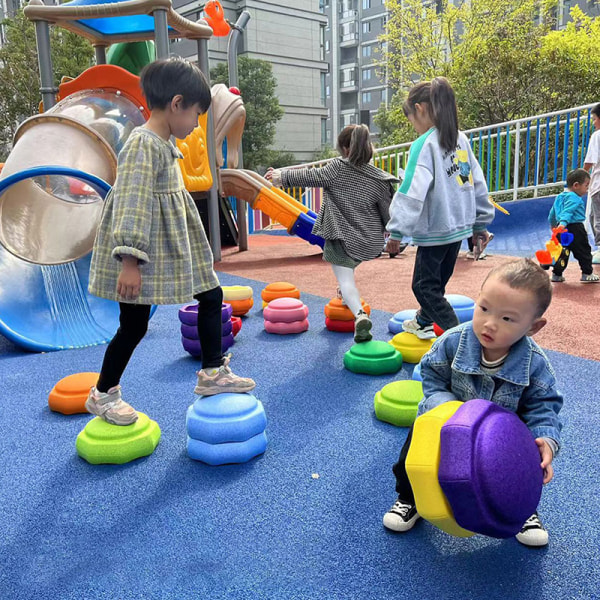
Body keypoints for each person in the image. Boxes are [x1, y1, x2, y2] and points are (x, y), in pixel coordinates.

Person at [86, 58, 255, 426]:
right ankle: (102, 393)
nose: (196, 124)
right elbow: (132, 201)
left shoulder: (162, 142)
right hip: (143, 252)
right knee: (133, 326)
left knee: (211, 295)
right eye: (196, 115)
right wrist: (129, 261)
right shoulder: (142, 144)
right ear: (176, 103)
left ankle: (211, 371)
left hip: (174, 247)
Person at [382, 258, 563, 547]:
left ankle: (523, 510)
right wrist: (448, 409)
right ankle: (409, 498)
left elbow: (544, 407)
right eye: (484, 309)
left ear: (533, 327)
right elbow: (431, 375)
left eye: (507, 319)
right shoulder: (453, 342)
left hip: (500, 440)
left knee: (523, 466)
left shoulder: (535, 365)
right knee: (410, 459)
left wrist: (545, 440)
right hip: (442, 422)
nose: (489, 323)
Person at [265, 124, 399, 343]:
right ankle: (345, 295)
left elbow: (310, 176)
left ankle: (359, 315)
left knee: (346, 279)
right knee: (348, 272)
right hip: (369, 241)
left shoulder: (337, 168)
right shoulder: (379, 179)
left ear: (346, 149)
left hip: (341, 238)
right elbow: (388, 212)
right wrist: (394, 235)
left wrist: (280, 176)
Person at [385, 77, 494, 339]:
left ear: (420, 109)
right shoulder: (461, 140)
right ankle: (423, 320)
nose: (414, 127)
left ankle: (461, 339)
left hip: (436, 230)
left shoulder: (424, 145)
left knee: (424, 287)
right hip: (458, 229)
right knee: (436, 285)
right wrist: (480, 222)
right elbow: (475, 182)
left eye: (411, 118)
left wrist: (396, 231)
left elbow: (411, 191)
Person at [548, 168, 600, 283]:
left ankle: (557, 274)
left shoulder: (560, 197)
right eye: (586, 186)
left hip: (560, 230)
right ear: (576, 185)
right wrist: (563, 223)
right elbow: (568, 211)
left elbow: (552, 213)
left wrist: (554, 225)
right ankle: (587, 273)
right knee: (583, 250)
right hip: (574, 228)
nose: (587, 190)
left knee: (562, 252)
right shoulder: (575, 198)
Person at [583, 103, 600, 263]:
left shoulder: (597, 136)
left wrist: (580, 177)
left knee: (596, 217)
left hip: (598, 186)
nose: (593, 123)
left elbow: (589, 161)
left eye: (594, 119)